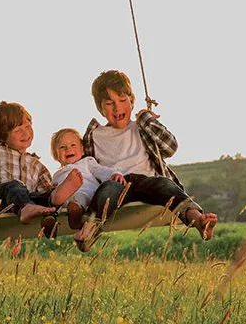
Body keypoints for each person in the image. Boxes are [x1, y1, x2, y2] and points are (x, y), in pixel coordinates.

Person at [83, 70, 218, 241]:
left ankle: (198, 220)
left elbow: (170, 147)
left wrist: (147, 119)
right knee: (106, 191)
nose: (117, 107)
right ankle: (88, 232)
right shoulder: (94, 135)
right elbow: (86, 167)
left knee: (165, 185)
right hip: (116, 182)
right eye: (110, 103)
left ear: (131, 101)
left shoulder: (141, 127)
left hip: (147, 181)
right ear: (100, 108)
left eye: (123, 100)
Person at [0, 102, 82, 236]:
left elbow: (43, 190)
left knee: (44, 196)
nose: (26, 133)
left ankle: (53, 204)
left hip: (24, 206)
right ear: (2, 135)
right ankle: (26, 207)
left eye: (28, 126)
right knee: (15, 186)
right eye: (18, 130)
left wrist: (51, 196)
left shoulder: (36, 165)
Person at [48, 127, 125, 250]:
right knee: (60, 197)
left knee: (80, 196)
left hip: (89, 196)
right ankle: (74, 216)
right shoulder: (57, 175)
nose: (68, 149)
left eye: (73, 145)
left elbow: (100, 170)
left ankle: (76, 214)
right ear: (56, 156)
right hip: (67, 200)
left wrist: (113, 174)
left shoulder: (87, 162)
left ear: (82, 150)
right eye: (62, 147)